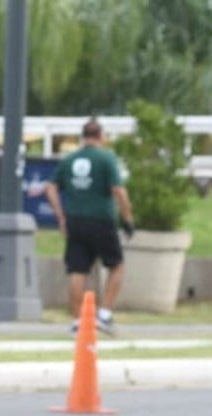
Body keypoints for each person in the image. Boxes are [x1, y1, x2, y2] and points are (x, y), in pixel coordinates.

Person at [44, 118, 135, 335]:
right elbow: (118, 191)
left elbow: (51, 188)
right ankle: (104, 314)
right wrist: (128, 218)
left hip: (75, 220)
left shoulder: (70, 160)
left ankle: (78, 320)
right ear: (101, 136)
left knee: (77, 269)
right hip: (101, 220)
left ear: (83, 137)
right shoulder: (106, 159)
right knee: (116, 265)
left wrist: (60, 215)